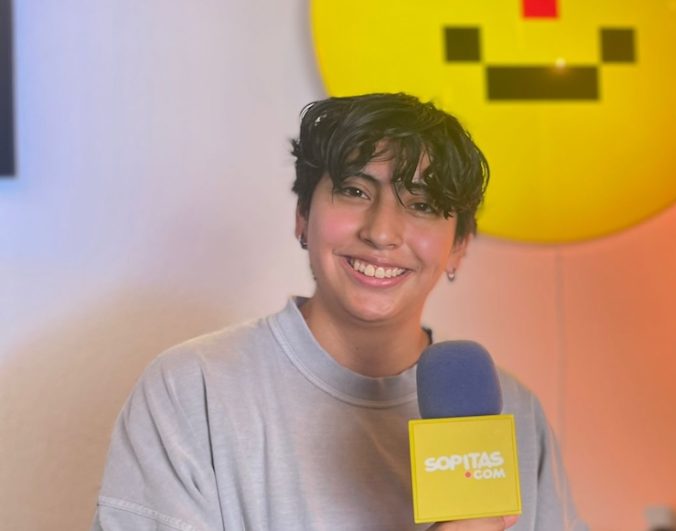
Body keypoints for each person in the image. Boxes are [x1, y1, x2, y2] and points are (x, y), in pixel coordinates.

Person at [91, 93, 586, 530]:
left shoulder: (512, 411)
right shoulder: (192, 389)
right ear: (303, 217)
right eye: (355, 191)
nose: (382, 232)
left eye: (421, 204)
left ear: (459, 246)